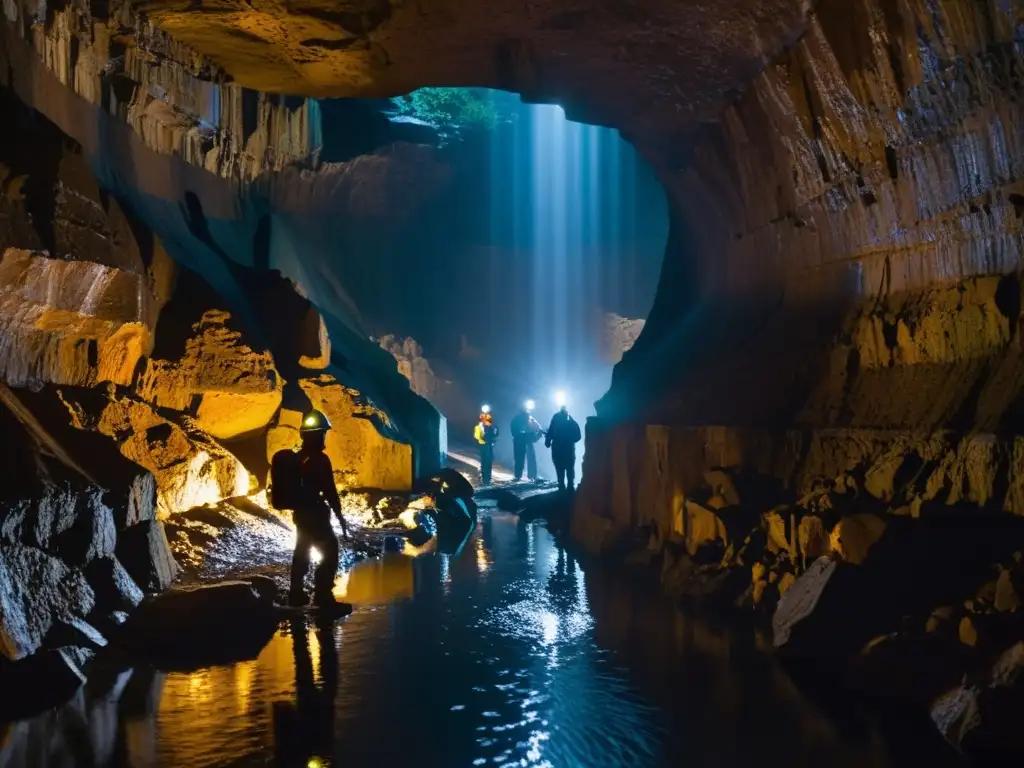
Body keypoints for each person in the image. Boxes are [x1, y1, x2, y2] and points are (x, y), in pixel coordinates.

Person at [290, 409, 350, 607]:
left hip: (300, 514)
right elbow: (330, 491)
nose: (324, 436)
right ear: (316, 435)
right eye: (322, 433)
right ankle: (322, 595)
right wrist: (340, 516)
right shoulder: (320, 460)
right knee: (330, 552)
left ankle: (296, 594)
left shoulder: (296, 459)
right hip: (316, 514)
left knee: (302, 551)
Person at [545, 404, 582, 491]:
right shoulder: (571, 421)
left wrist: (548, 441)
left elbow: (550, 431)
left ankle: (562, 486)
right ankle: (570, 487)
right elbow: (578, 436)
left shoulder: (556, 419)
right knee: (569, 468)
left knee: (559, 468)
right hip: (568, 449)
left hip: (558, 448)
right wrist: (571, 440)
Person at [510, 401, 543, 481]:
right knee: (520, 458)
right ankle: (519, 476)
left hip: (526, 440)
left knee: (529, 458)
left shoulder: (530, 419)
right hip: (521, 440)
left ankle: (530, 475)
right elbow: (514, 430)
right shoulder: (518, 419)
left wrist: (536, 436)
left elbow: (538, 429)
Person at [473, 407, 499, 485]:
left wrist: (493, 437)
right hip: (483, 444)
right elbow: (477, 434)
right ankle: (485, 479)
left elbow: (496, 431)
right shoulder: (480, 423)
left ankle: (488, 478)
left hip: (489, 444)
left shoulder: (492, 423)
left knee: (489, 461)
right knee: (485, 461)